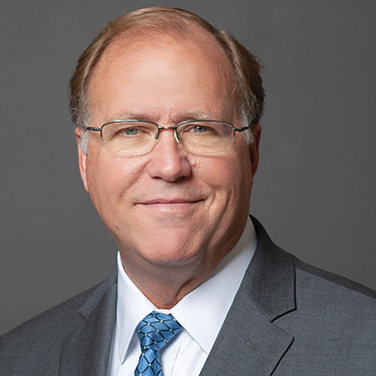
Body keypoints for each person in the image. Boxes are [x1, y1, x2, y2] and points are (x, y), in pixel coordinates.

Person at [1, 6, 375, 376]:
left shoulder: (364, 345)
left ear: (252, 151)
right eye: (131, 130)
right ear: (85, 160)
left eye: (201, 129)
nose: (169, 166)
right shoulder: (18, 359)